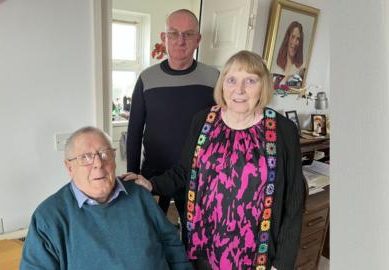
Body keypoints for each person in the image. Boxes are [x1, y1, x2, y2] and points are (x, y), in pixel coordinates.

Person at [125, 51, 305, 270]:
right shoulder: (204, 120)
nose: (239, 90)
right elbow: (184, 171)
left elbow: (294, 203)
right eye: (231, 80)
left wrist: (282, 264)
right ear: (222, 85)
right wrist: (151, 184)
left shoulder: (283, 131)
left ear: (263, 86)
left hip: (256, 254)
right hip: (205, 245)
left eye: (250, 80)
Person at [20, 126, 192, 270]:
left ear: (114, 159)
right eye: (85, 157)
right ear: (69, 167)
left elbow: (171, 244)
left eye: (104, 154)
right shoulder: (48, 218)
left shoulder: (139, 194)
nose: (98, 164)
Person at [126, 9, 219, 222]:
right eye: (174, 33)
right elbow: (134, 131)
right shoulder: (147, 78)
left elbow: (222, 129)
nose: (180, 41)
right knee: (151, 232)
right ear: (164, 38)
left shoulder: (214, 78)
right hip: (154, 174)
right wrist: (133, 176)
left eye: (188, 34)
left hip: (196, 175)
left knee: (194, 234)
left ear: (198, 39)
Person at [273, 21, 305, 85]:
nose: (294, 42)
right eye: (293, 37)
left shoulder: (302, 67)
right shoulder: (276, 67)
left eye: (298, 39)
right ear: (287, 38)